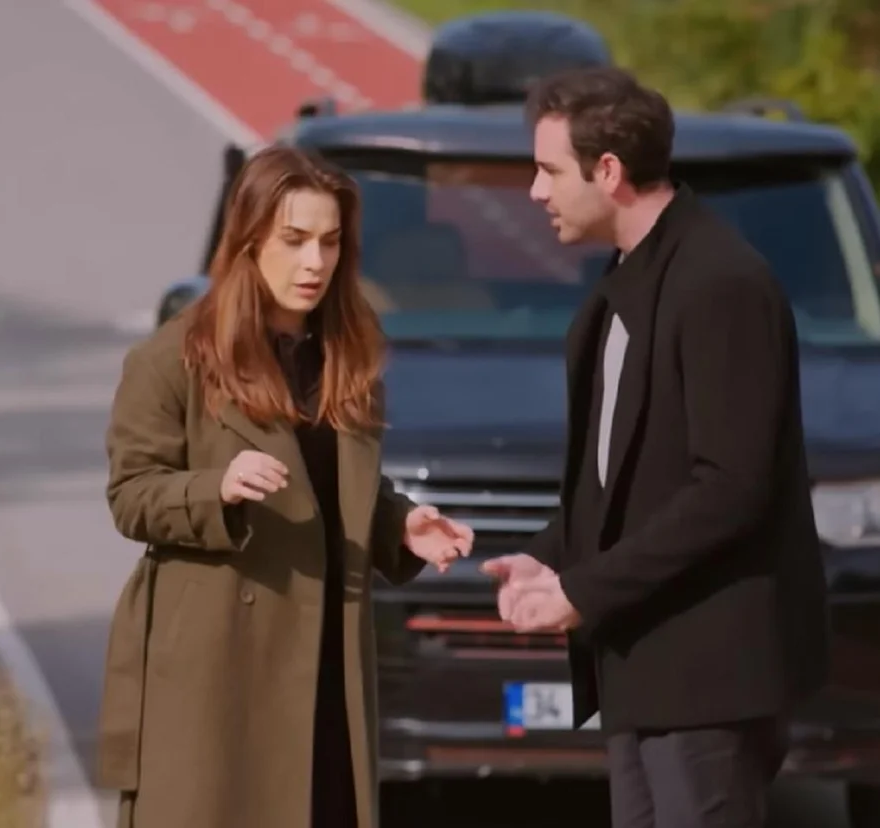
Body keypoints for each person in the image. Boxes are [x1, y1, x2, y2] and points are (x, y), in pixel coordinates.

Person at [482, 66, 829, 827]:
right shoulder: (628, 278)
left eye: (548, 171)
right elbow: (622, 479)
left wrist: (584, 590)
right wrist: (551, 556)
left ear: (608, 170)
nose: (535, 192)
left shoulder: (719, 283)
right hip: (642, 668)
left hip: (707, 679)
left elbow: (729, 488)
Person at [94, 144, 474, 828]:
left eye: (330, 242)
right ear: (248, 241)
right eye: (294, 240)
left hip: (327, 660)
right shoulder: (172, 358)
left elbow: (332, 482)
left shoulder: (348, 353)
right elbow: (132, 493)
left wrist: (400, 523)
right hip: (216, 667)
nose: (315, 262)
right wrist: (217, 488)